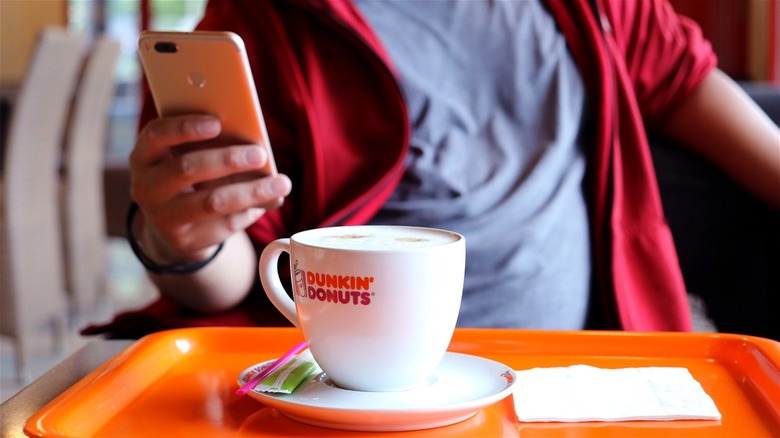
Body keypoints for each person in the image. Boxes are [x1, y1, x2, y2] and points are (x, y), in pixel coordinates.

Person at [83, 0, 780, 339]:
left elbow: (688, 83)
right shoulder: (266, 21)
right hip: (367, 396)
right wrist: (182, 241)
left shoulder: (595, 8)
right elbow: (239, 271)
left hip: (586, 382)